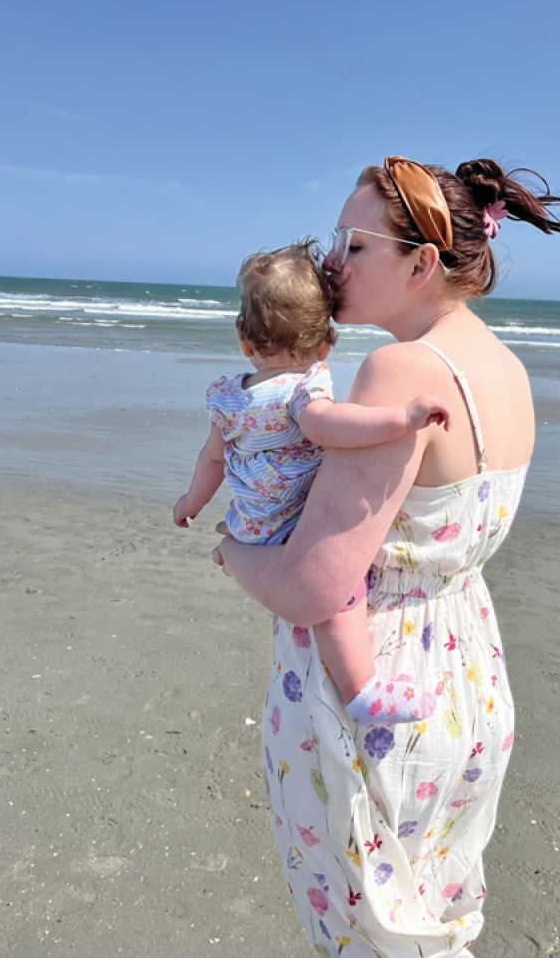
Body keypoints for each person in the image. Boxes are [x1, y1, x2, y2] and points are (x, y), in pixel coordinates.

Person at [212, 156, 560, 956]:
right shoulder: (504, 367)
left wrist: (232, 550)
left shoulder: (399, 369)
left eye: (353, 243)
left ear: (421, 263)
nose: (331, 263)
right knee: (435, 925)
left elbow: (314, 584)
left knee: (369, 936)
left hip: (378, 694)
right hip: (467, 681)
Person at [173, 241, 452, 726]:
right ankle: (359, 688)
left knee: (307, 582)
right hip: (290, 524)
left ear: (244, 340)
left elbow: (211, 459)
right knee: (340, 594)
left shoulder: (227, 398)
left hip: (251, 522)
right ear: (324, 346)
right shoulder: (302, 393)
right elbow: (332, 426)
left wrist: (190, 502)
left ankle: (234, 551)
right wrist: (401, 420)